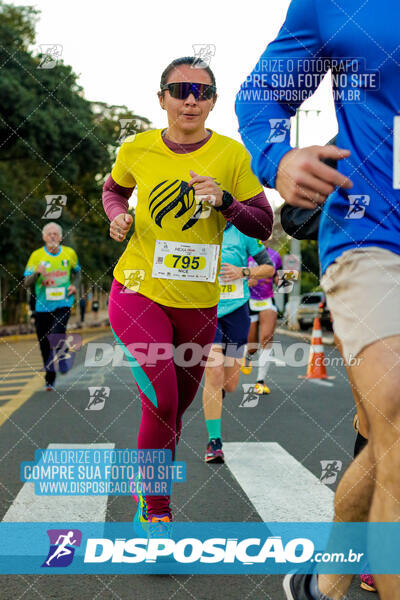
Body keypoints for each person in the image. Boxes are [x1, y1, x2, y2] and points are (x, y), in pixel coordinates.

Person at [236, 1, 400, 598]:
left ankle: (325, 582)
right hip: (376, 230)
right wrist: (277, 156)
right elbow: (262, 94)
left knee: (382, 437)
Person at [102, 57, 273, 535]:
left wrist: (225, 201)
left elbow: (263, 224)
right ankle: (155, 509)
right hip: (137, 290)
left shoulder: (232, 156)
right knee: (159, 397)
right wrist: (117, 214)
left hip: (198, 303)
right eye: (179, 90)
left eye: (201, 91)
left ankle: (150, 488)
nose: (190, 99)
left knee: (176, 409)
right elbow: (113, 189)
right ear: (162, 99)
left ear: (214, 101)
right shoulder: (136, 148)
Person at [202, 226, 274, 463]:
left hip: (236, 312)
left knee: (230, 384)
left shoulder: (244, 229)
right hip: (206, 311)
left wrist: (243, 271)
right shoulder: (194, 224)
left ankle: (216, 393)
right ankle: (215, 442)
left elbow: (269, 268)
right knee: (214, 370)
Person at [23, 222, 80, 391]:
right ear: (44, 237)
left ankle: (62, 356)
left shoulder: (69, 254)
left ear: (61, 237)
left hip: (64, 302)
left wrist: (75, 285)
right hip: (42, 307)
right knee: (44, 344)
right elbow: (26, 283)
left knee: (57, 332)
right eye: (49, 234)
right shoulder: (36, 256)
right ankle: (50, 377)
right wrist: (37, 272)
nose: (53, 236)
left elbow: (77, 272)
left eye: (56, 233)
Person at [241, 244, 282, 395]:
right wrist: (246, 281)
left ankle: (260, 381)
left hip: (267, 301)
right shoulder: (245, 254)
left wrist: (282, 280)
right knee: (252, 345)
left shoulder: (275, 256)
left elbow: (279, 276)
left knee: (266, 337)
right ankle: (248, 355)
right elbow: (236, 275)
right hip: (249, 300)